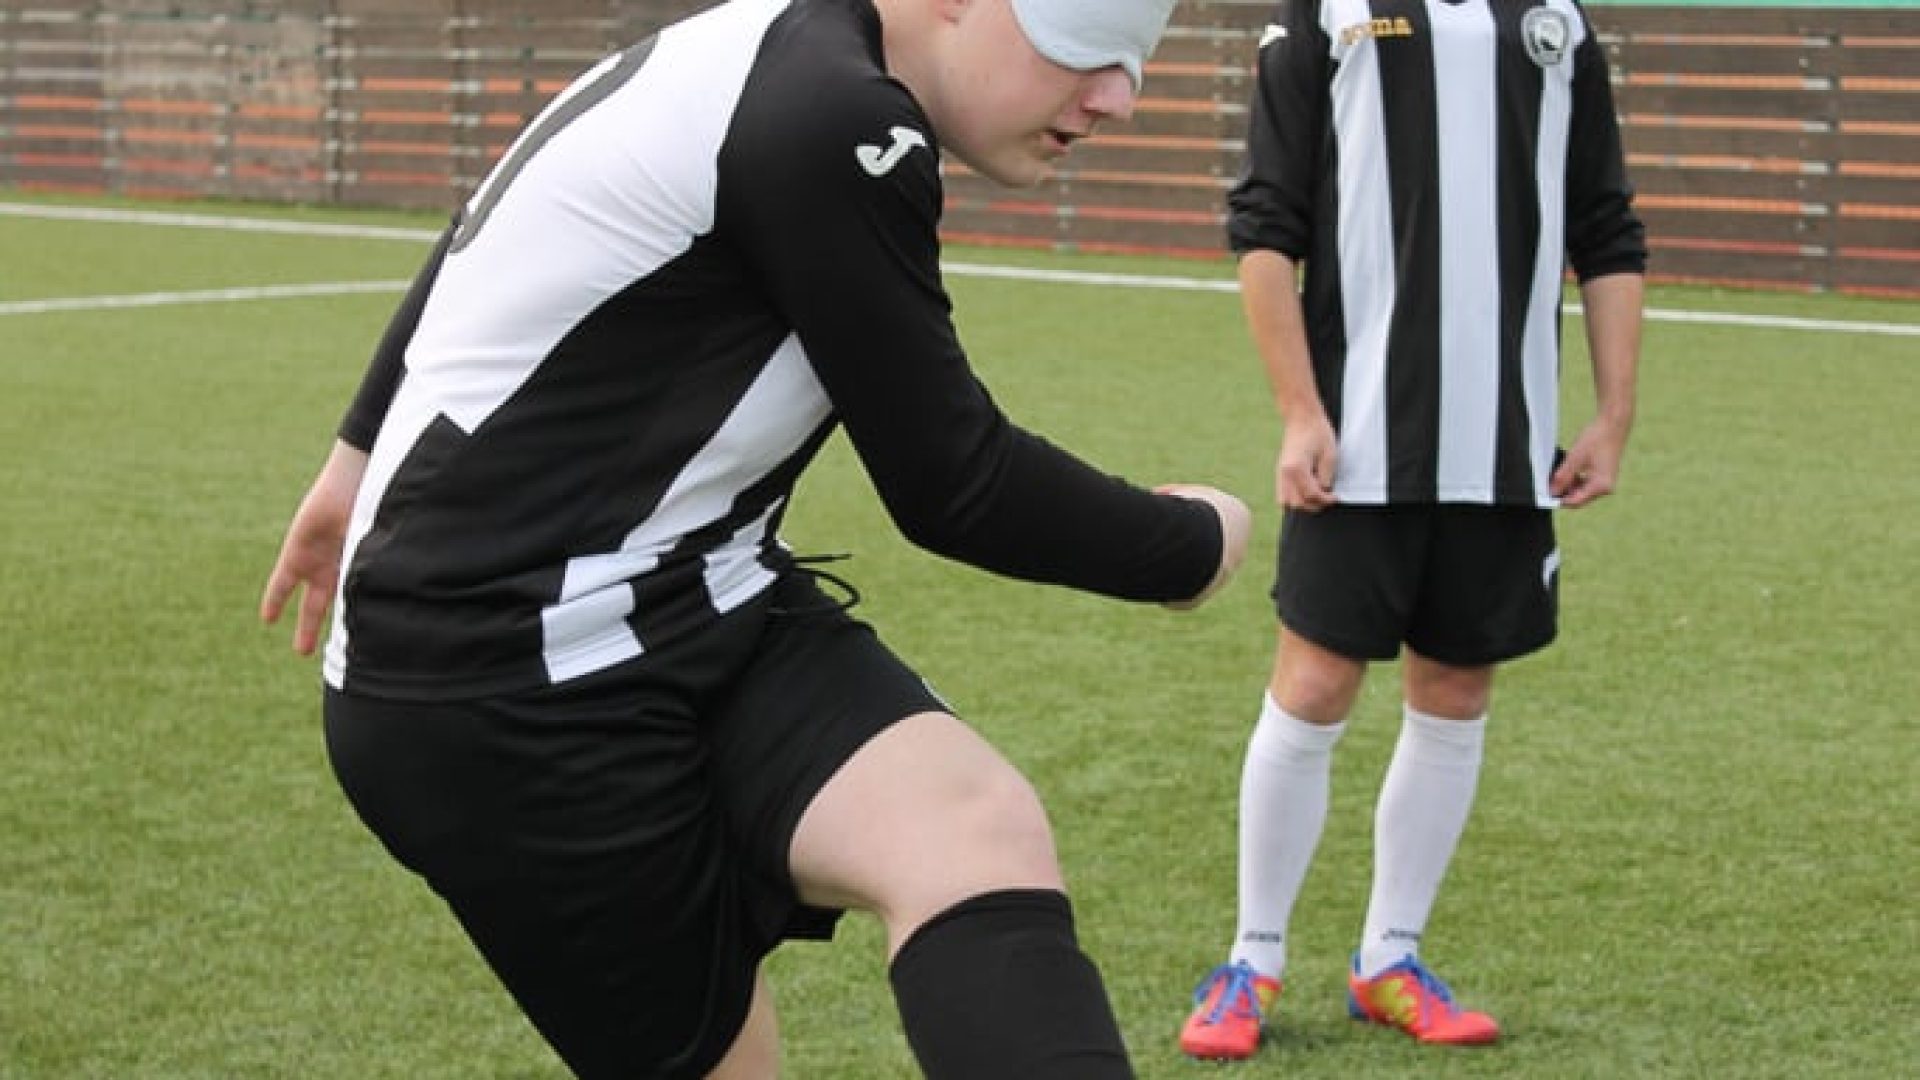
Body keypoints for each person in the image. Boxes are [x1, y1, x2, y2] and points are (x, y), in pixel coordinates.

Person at [260, 0, 1252, 1077]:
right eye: (1086, 42)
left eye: (1136, 60)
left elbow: (499, 204)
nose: (1117, 96)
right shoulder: (830, 114)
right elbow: (956, 485)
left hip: (695, 592)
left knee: (972, 829)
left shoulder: (778, 44)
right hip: (500, 686)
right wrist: (1193, 546)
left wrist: (355, 453)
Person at [1176, 0, 1646, 1060]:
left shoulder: (1557, 23)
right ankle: (1251, 960)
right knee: (1313, 686)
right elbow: (1265, 227)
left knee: (1456, 691)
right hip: (1359, 439)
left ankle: (1389, 958)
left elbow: (1606, 226)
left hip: (1506, 446)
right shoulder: (1327, 13)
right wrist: (1301, 410)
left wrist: (1614, 416)